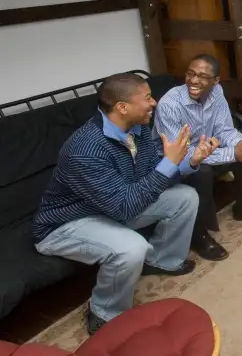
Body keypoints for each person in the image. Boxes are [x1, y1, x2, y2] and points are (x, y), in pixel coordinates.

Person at [32, 73, 216, 335]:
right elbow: (125, 208)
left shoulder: (137, 130)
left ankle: (163, 260)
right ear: (122, 107)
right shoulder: (86, 149)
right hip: (66, 224)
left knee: (184, 197)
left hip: (111, 206)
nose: (155, 103)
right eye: (147, 97)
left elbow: (152, 177)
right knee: (132, 248)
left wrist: (191, 161)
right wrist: (169, 162)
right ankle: (104, 311)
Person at [155, 54, 242, 262]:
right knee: (200, 172)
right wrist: (233, 152)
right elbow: (184, 152)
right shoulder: (169, 104)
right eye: (191, 74)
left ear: (216, 81)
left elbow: (224, 129)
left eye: (203, 76)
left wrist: (241, 146)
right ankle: (200, 235)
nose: (194, 81)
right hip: (179, 158)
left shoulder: (217, 93)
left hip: (209, 145)